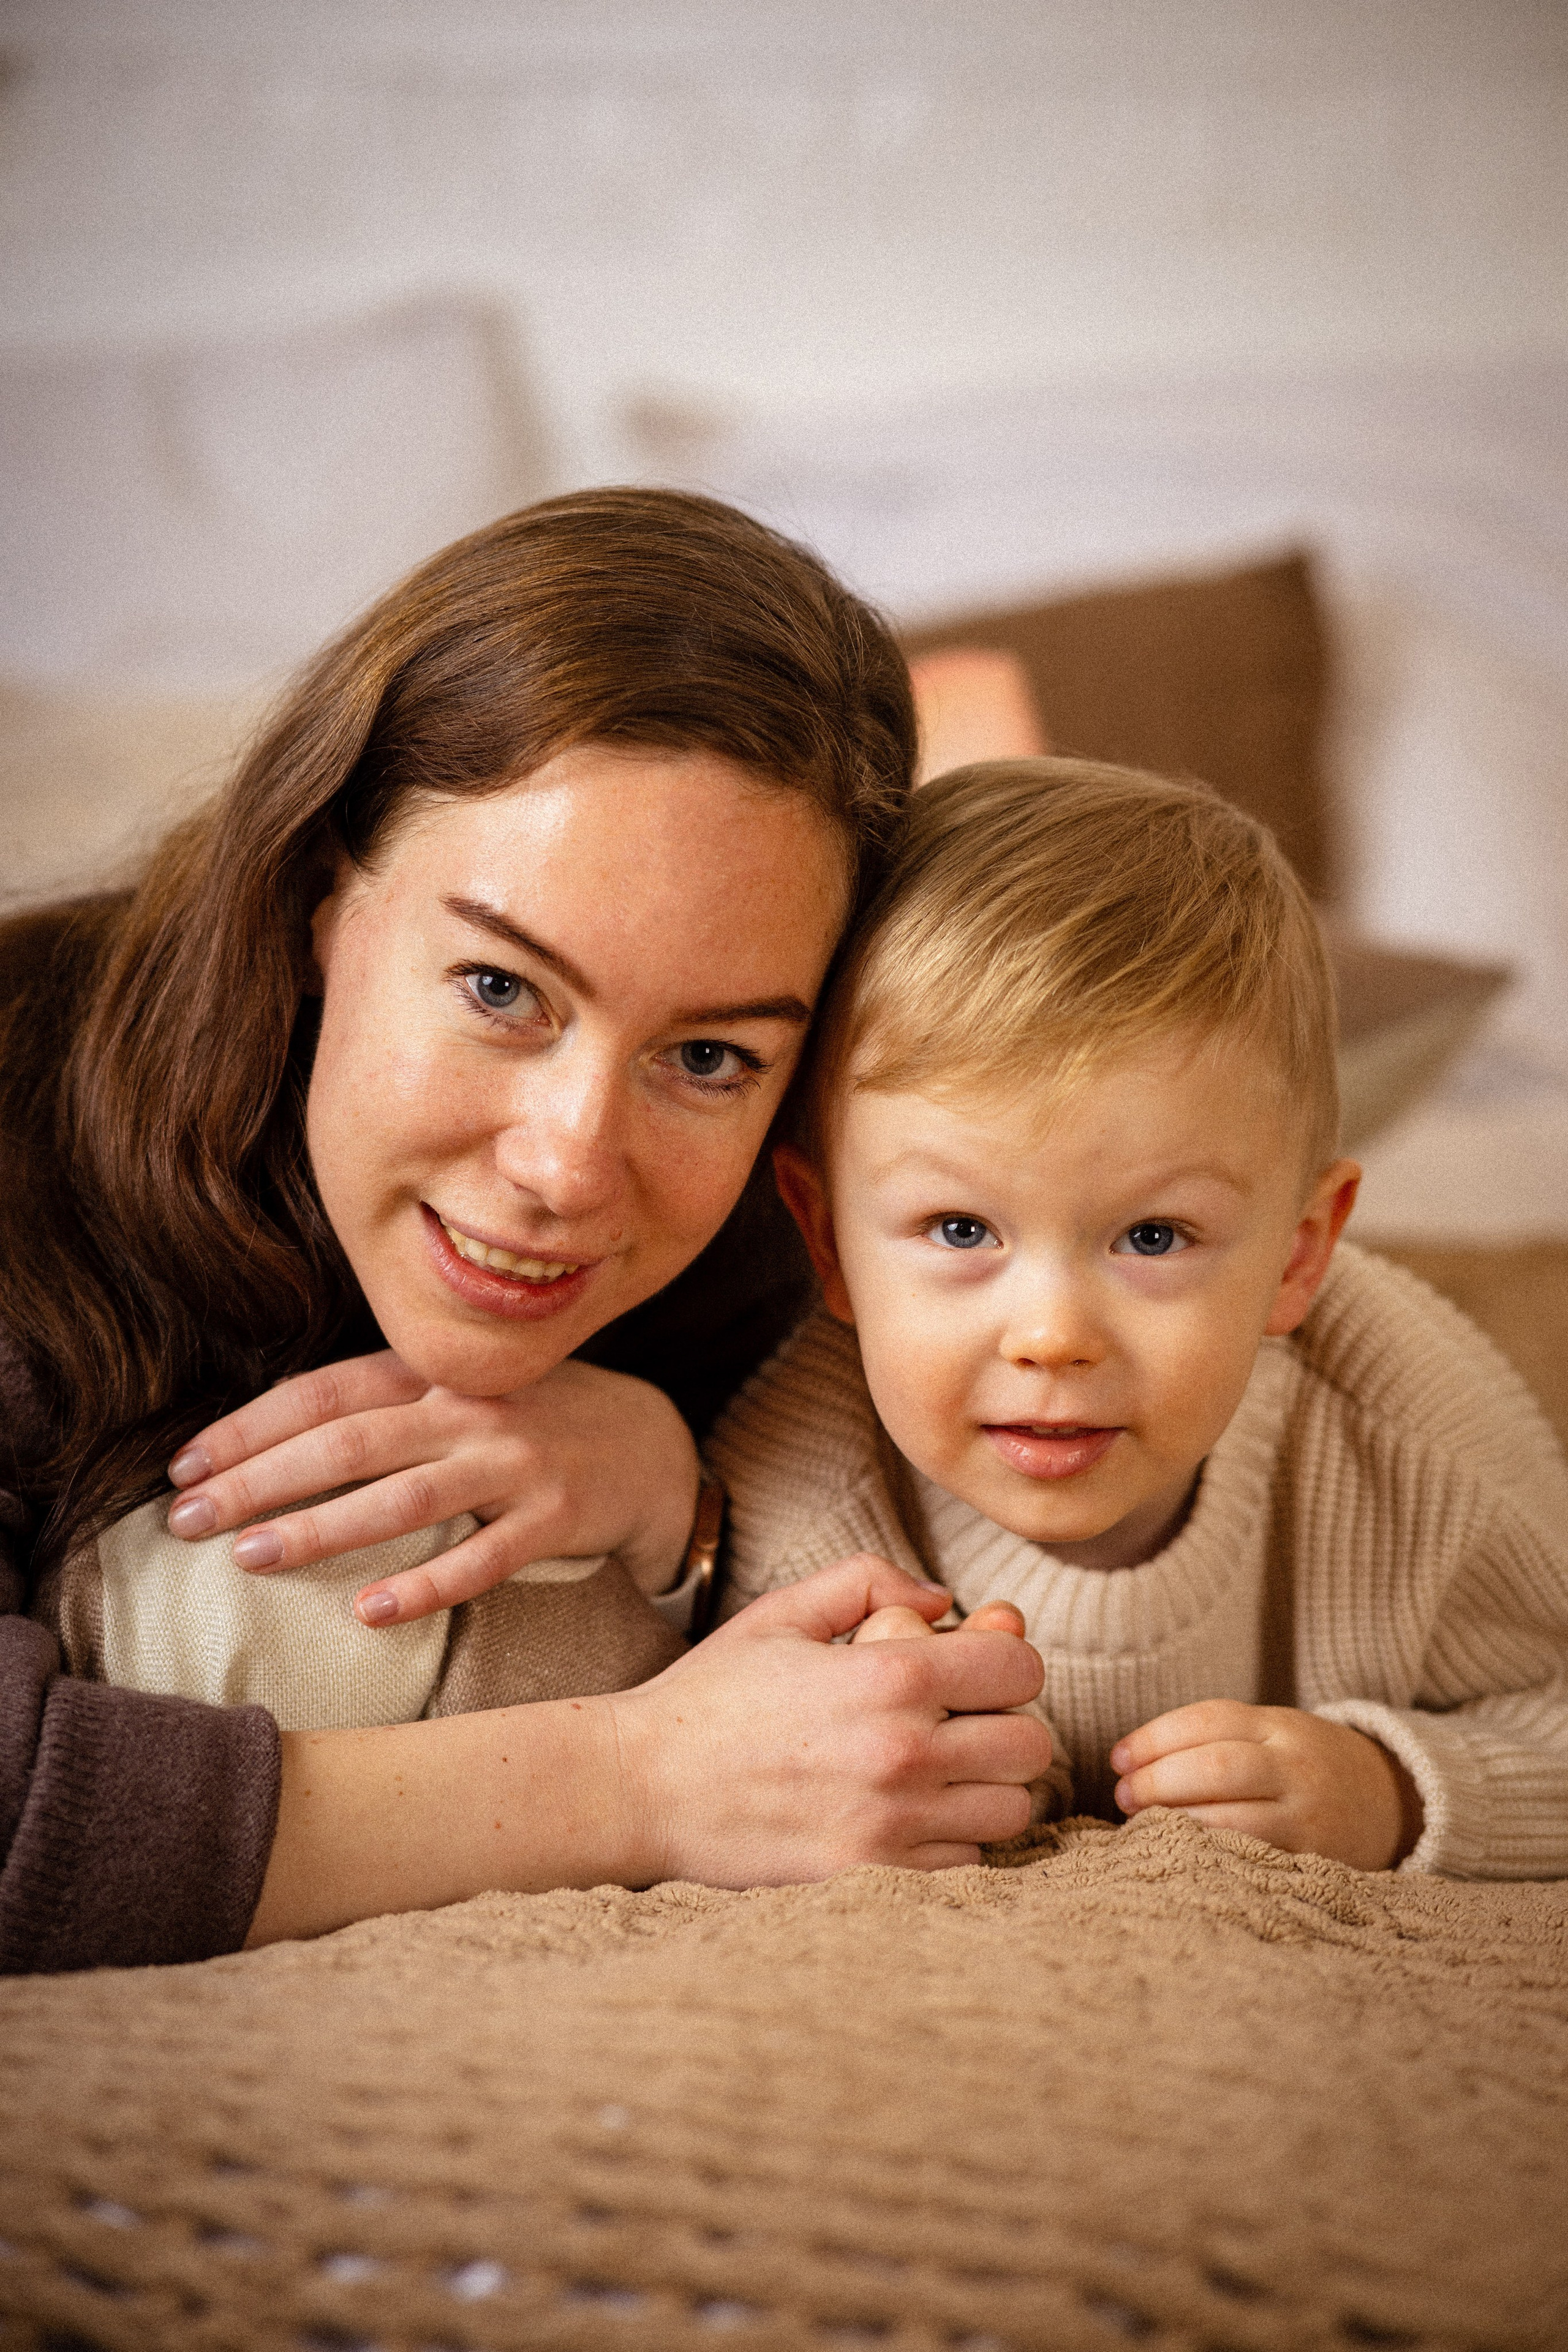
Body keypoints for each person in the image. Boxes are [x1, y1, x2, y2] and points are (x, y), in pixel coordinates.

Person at [0, 490, 1052, 1973]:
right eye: (501, 990)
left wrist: (678, 1495)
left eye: (707, 1056)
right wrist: (633, 1783)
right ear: (317, 896)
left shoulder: (795, 1225)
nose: (568, 1166)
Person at [709, 757, 1568, 1879]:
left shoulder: (1415, 1450)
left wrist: (1392, 1791)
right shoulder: (796, 1494)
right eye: (962, 1230)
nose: (1053, 1336)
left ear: (1299, 1254)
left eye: (1153, 1237)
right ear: (827, 1242)